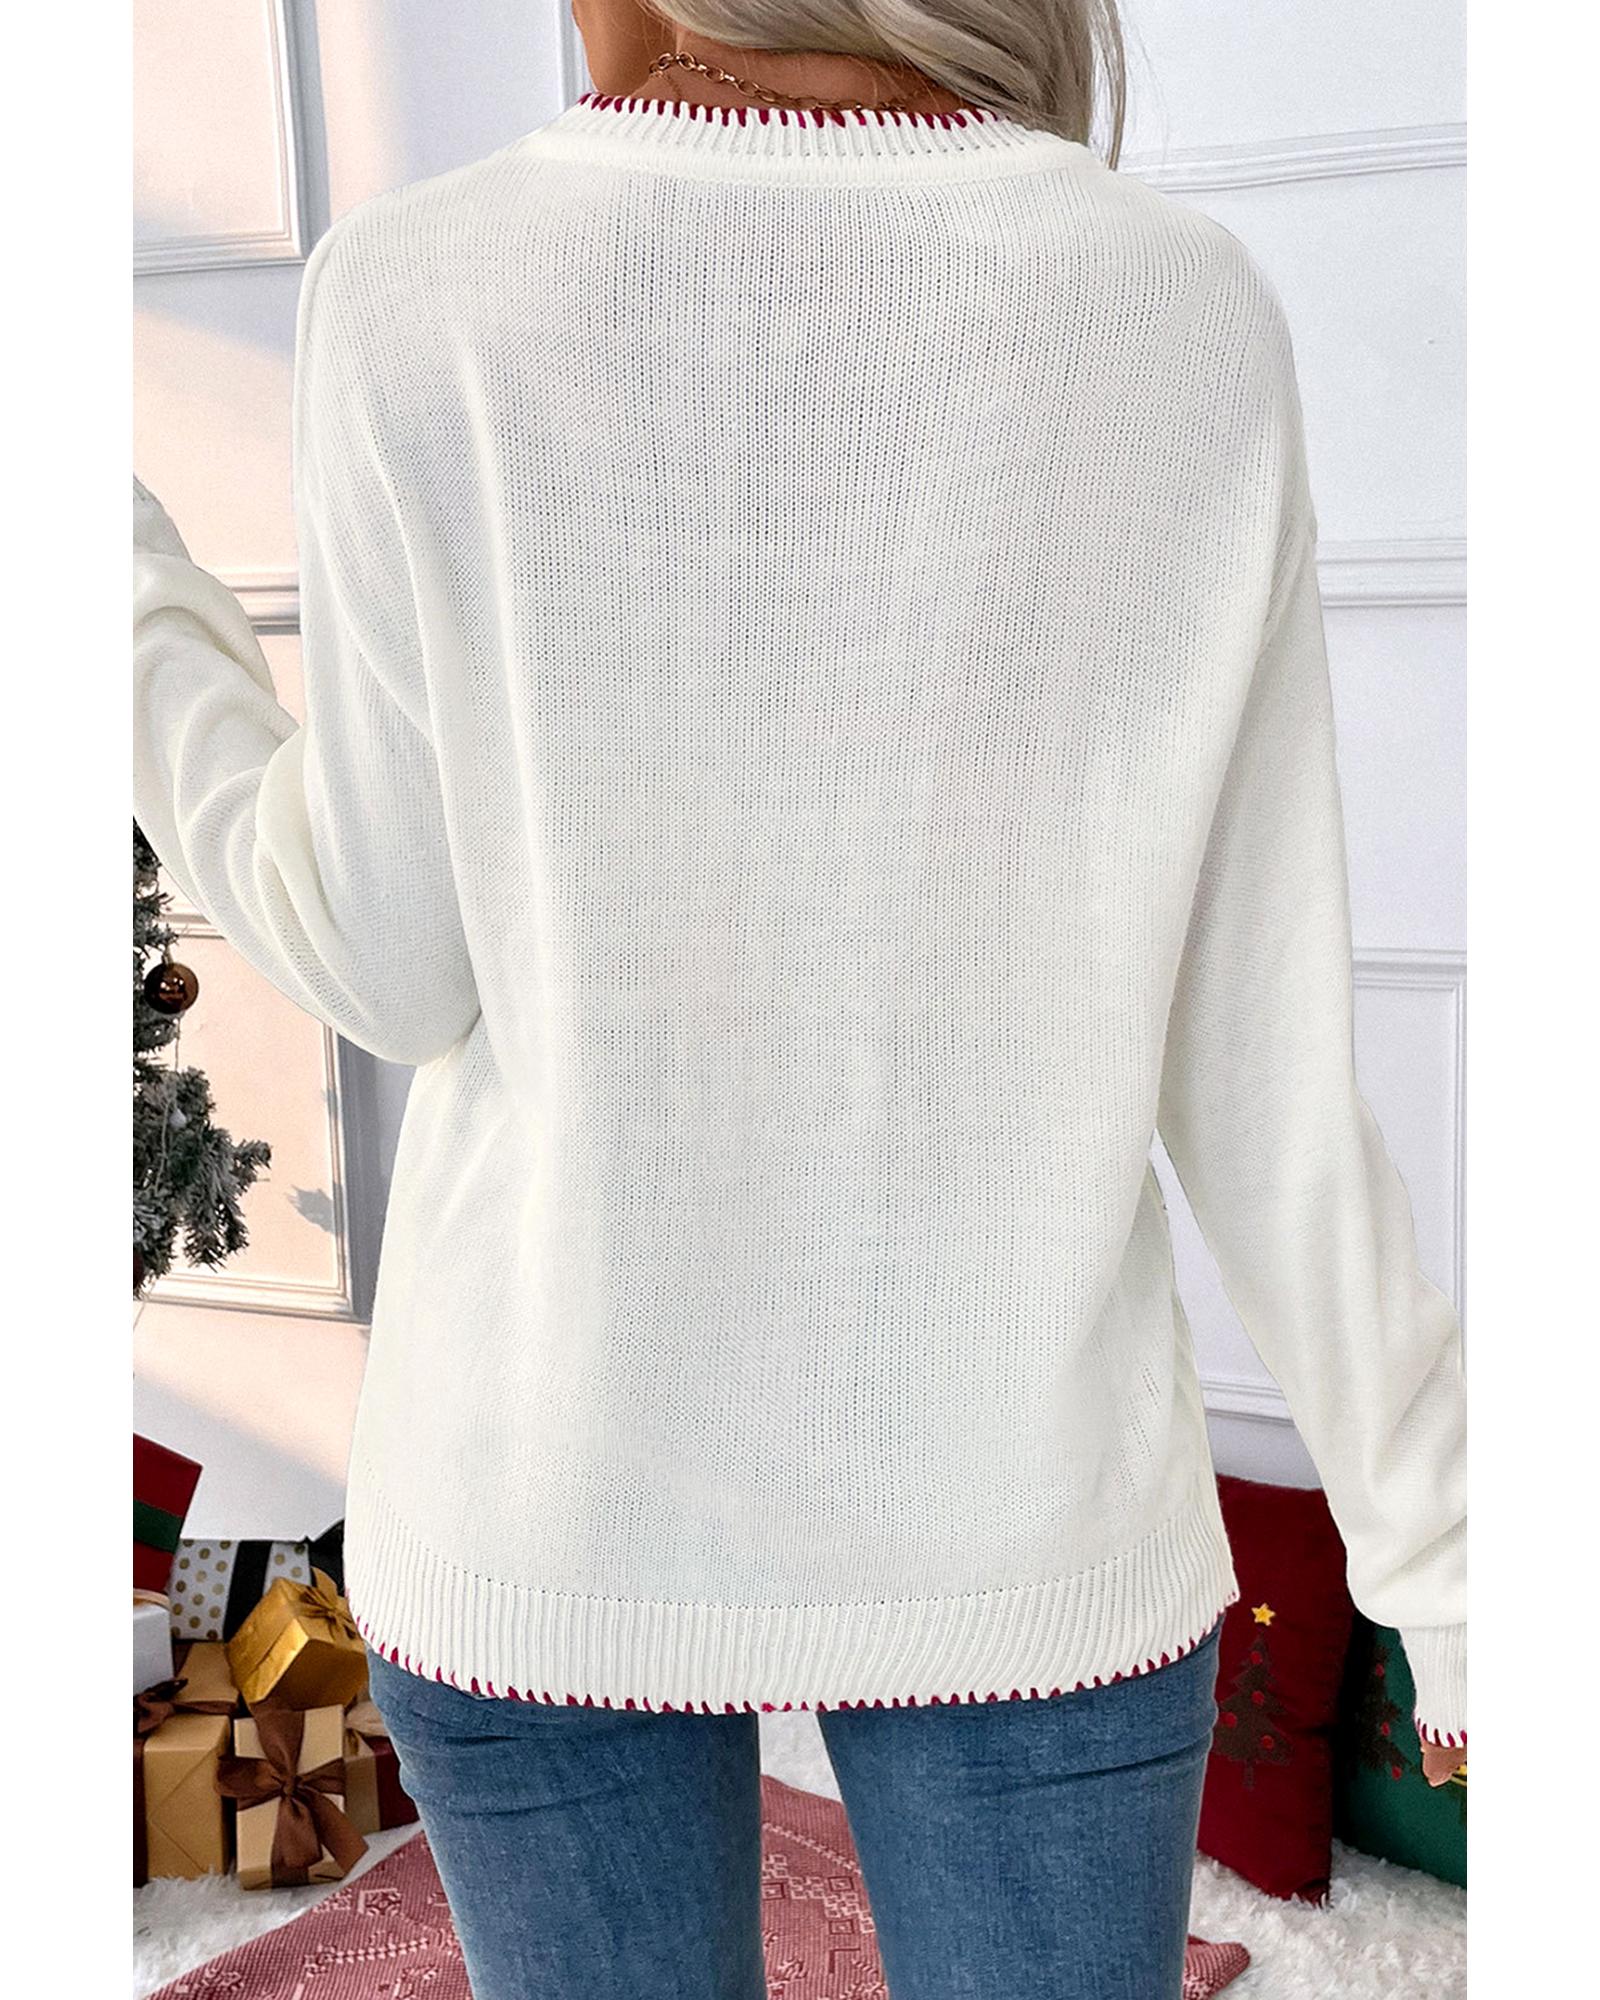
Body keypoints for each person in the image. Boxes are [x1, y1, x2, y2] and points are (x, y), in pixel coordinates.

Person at [131, 4, 1467, 1994]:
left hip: (535, 1508)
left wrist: (125, 608)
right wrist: (1453, 1574)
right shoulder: (1171, 304)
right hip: (1021, 1525)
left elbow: (378, 963)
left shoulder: (413, 291)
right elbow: (1259, 1068)